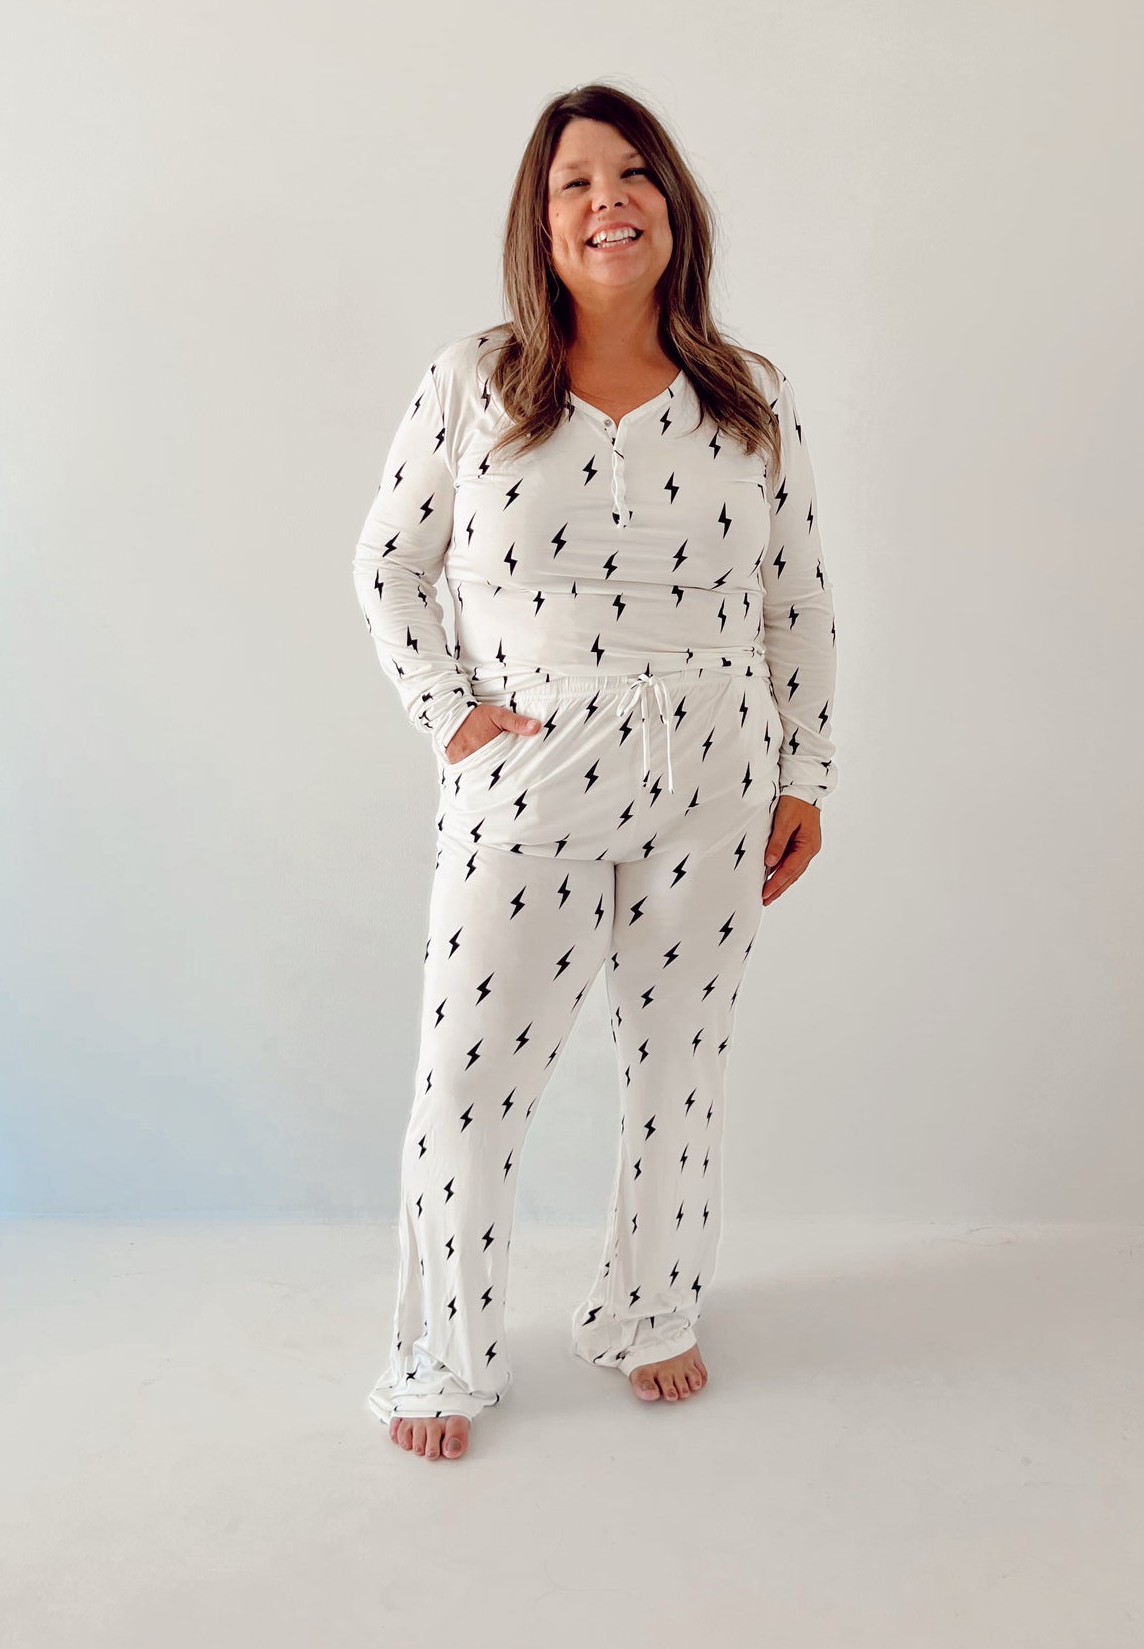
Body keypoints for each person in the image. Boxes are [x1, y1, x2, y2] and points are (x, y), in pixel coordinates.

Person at [351, 83, 838, 1461]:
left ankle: (648, 1307)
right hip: (533, 760)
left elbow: (797, 599)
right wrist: (451, 712)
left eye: (634, 176)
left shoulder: (748, 396)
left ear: (672, 208)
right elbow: (388, 563)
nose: (607, 201)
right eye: (575, 182)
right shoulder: (476, 379)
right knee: (466, 1077)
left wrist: (803, 771)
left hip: (715, 757)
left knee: (677, 1063)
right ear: (540, 215)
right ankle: (442, 1354)